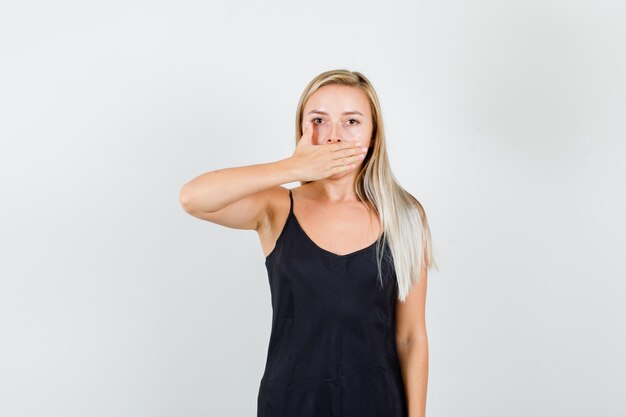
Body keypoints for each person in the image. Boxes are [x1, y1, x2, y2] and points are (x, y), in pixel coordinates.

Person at [179, 69, 437, 417]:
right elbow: (193, 198)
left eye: (351, 121)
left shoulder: (405, 216)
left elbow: (410, 338)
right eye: (318, 120)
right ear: (302, 129)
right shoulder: (277, 208)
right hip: (289, 404)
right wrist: (291, 167)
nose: (333, 136)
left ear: (374, 134)